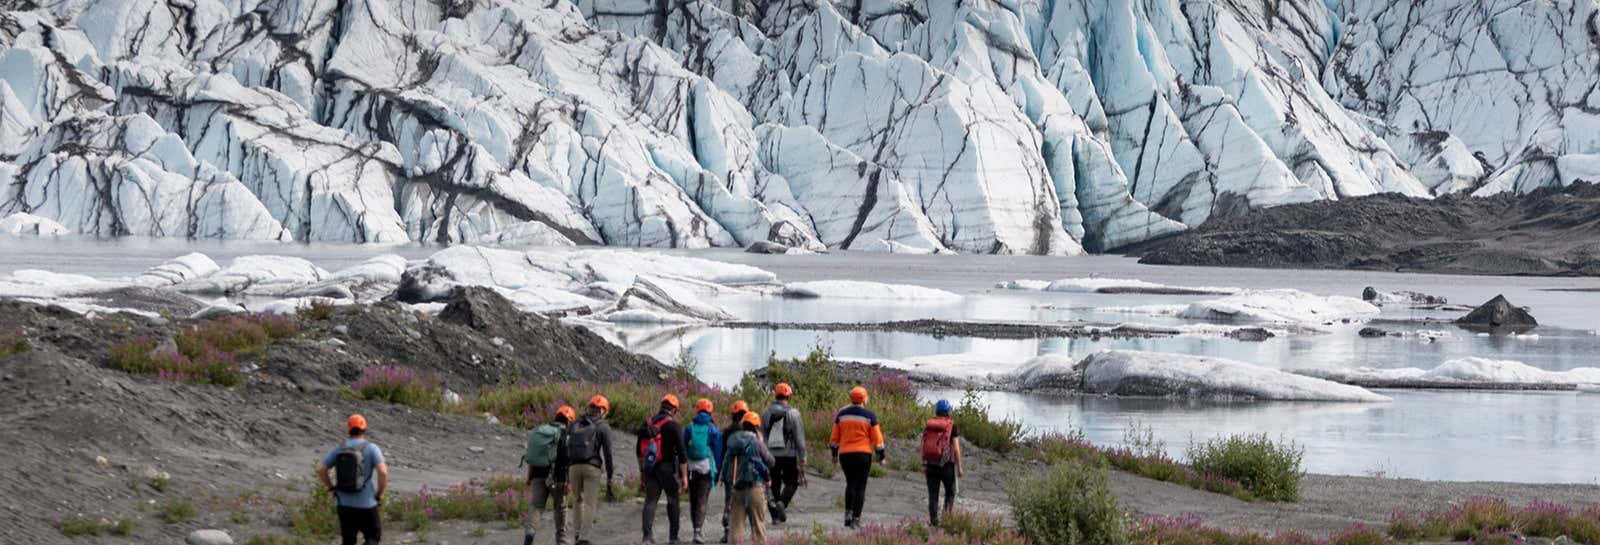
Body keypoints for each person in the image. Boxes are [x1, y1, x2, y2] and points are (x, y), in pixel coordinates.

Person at [315, 414, 389, 545]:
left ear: (348, 429)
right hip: (367, 504)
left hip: (344, 504)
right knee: (372, 538)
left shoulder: (340, 448)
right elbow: (382, 472)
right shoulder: (371, 448)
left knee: (348, 540)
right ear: (365, 429)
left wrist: (331, 488)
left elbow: (321, 469)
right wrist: (380, 493)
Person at [829, 386, 885, 529]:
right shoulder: (869, 416)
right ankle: (856, 519)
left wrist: (834, 454)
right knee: (860, 487)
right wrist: (881, 456)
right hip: (863, 455)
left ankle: (847, 516)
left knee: (850, 484)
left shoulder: (841, 415)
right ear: (864, 398)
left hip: (845, 455)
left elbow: (834, 438)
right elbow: (877, 439)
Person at [638, 394, 690, 545]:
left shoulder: (646, 424)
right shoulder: (673, 426)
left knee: (650, 501)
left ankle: (647, 538)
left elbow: (639, 451)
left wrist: (642, 472)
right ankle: (673, 538)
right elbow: (682, 452)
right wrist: (684, 476)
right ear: (674, 410)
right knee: (673, 500)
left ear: (661, 406)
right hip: (667, 468)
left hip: (649, 468)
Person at [567, 395, 615, 545]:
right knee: (589, 503)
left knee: (577, 500)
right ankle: (584, 538)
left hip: (573, 467)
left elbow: (566, 445)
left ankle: (576, 535)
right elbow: (608, 453)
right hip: (592, 467)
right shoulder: (603, 426)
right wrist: (610, 476)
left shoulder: (575, 423)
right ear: (603, 410)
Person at [524, 406, 575, 545]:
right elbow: (566, 459)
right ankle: (562, 540)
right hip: (557, 478)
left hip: (537, 475)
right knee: (560, 507)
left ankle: (529, 535)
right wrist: (568, 481)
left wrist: (529, 477)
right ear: (569, 421)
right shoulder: (564, 434)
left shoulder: (540, 431)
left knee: (536, 506)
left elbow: (530, 456)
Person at [721, 412, 775, 545]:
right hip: (755, 487)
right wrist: (762, 443)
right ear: (756, 427)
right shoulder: (756, 441)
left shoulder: (732, 442)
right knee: (758, 527)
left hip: (736, 488)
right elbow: (770, 461)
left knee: (736, 527)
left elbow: (726, 464)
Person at [761, 383, 807, 524]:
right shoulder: (794, 413)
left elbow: (762, 435)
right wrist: (802, 457)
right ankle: (782, 503)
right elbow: (799, 438)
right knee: (792, 482)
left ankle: (774, 516)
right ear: (788, 395)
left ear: (775, 394)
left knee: (773, 484)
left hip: (771, 455)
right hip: (789, 455)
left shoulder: (766, 413)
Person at [684, 398, 724, 544]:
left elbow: (683, 449)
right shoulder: (713, 429)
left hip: (691, 468)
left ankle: (695, 529)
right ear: (710, 411)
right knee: (702, 499)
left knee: (693, 499)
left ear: (697, 410)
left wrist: (681, 471)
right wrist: (717, 471)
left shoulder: (689, 428)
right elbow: (718, 452)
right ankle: (698, 532)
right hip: (707, 468)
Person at [920, 400, 963, 527]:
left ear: (937, 411)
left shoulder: (930, 424)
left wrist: (923, 464)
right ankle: (947, 520)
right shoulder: (951, 425)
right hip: (947, 465)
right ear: (948, 411)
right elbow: (956, 448)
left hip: (931, 464)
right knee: (950, 493)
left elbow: (923, 444)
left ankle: (934, 522)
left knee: (933, 494)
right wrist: (959, 467)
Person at [719, 400, 750, 544]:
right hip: (743, 471)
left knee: (729, 499)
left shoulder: (726, 431)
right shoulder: (747, 432)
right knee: (741, 502)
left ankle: (727, 530)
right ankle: (737, 532)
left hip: (729, 470)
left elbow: (723, 452)